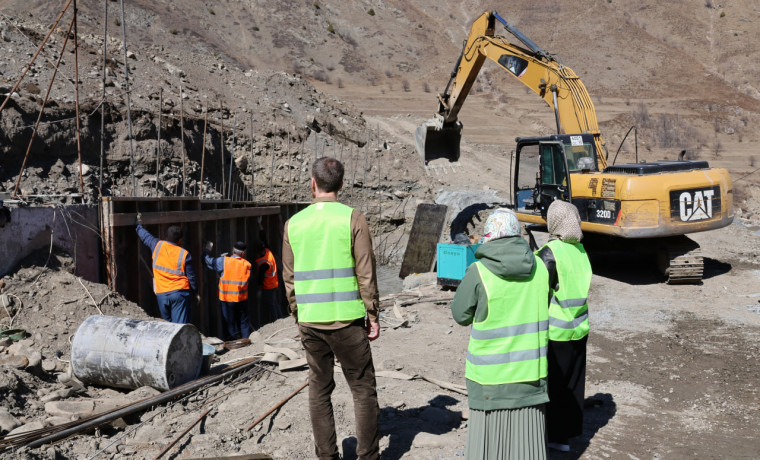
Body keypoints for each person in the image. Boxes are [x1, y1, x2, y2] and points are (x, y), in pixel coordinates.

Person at [282, 157, 380, 460]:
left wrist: (297, 313)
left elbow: (289, 276)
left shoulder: (293, 223)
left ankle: (327, 456)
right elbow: (366, 271)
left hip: (311, 322)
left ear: (313, 183)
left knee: (319, 389)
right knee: (362, 390)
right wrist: (372, 313)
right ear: (341, 184)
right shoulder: (353, 218)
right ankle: (368, 457)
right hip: (348, 321)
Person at [451, 208, 549, 460]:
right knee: (526, 448)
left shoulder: (478, 271)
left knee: (488, 450)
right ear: (517, 233)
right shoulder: (540, 267)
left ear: (489, 235)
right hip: (530, 378)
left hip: (488, 382)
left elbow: (460, 316)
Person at [536, 200, 591, 452]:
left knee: (554, 385)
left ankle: (552, 435)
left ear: (554, 221)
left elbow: (538, 289)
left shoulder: (550, 252)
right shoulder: (580, 250)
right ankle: (567, 436)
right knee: (574, 382)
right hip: (579, 328)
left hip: (556, 331)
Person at [136, 217, 198, 324]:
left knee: (169, 326)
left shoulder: (157, 245)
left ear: (166, 236)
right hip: (179, 294)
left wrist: (138, 226)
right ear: (180, 240)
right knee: (179, 327)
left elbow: (145, 236)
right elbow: (191, 277)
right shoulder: (184, 254)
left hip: (162, 295)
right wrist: (195, 292)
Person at [203, 241, 253, 341]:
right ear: (243, 253)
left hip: (227, 300)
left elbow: (207, 260)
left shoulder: (223, 261)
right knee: (243, 323)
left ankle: (232, 344)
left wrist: (207, 250)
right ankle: (245, 343)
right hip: (242, 299)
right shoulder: (247, 265)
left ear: (233, 250)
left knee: (230, 323)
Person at [253, 240, 283, 327]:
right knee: (274, 302)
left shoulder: (264, 263)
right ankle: (280, 318)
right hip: (274, 283)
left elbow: (260, 277)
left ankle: (276, 321)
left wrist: (259, 289)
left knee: (271, 304)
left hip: (268, 286)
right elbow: (264, 238)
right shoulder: (268, 251)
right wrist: (261, 229)